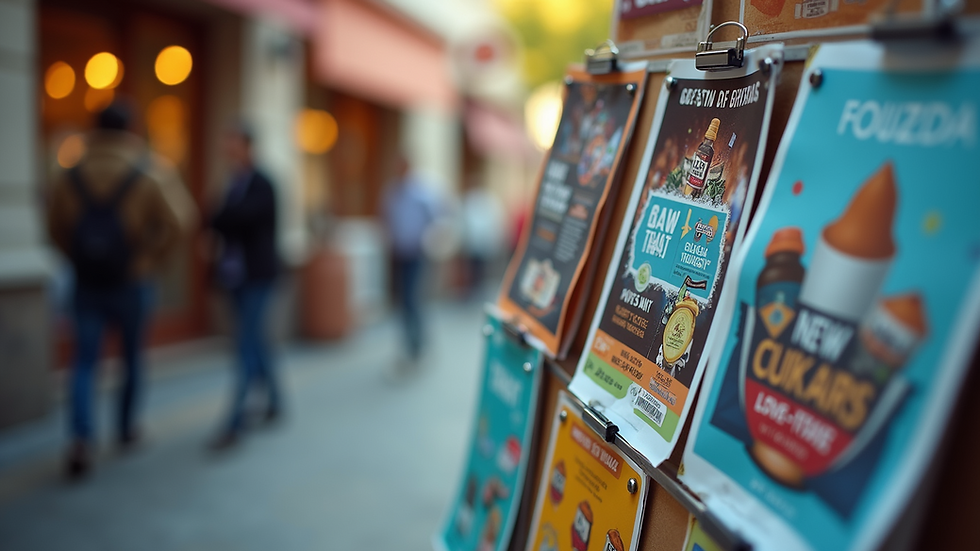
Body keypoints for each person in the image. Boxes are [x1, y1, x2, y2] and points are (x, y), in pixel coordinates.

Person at [45, 102, 194, 479]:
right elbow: (182, 220)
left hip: (86, 281)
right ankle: (126, 430)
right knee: (131, 359)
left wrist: (78, 257)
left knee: (83, 362)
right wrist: (147, 261)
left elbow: (54, 227)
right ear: (131, 130)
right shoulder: (150, 170)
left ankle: (81, 439)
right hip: (131, 282)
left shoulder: (70, 172)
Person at [207, 123, 281, 449]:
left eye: (233, 143)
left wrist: (224, 216)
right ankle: (277, 402)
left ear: (248, 146)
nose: (228, 149)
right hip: (235, 274)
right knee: (256, 341)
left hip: (258, 276)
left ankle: (235, 420)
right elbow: (214, 219)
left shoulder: (263, 183)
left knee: (246, 345)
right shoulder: (231, 183)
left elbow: (230, 219)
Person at [382, 156, 440, 371]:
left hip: (417, 254)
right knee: (404, 301)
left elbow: (437, 217)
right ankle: (411, 345)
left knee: (412, 300)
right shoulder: (392, 192)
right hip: (398, 255)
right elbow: (386, 218)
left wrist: (427, 240)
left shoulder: (421, 192)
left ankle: (416, 346)